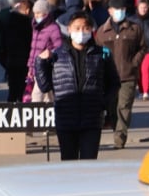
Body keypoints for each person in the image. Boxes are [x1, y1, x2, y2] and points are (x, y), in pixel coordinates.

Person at [35, 11, 120, 160]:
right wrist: (40, 63)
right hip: (66, 119)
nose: (81, 32)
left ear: (91, 29)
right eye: (77, 28)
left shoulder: (101, 54)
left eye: (86, 28)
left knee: (88, 163)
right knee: (69, 163)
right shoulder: (56, 55)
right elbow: (44, 86)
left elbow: (114, 83)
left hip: (91, 119)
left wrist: (103, 103)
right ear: (68, 29)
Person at [96, 0, 146, 149]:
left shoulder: (134, 28)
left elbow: (143, 48)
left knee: (123, 107)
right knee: (112, 108)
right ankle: (115, 128)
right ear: (110, 11)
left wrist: (134, 63)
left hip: (127, 75)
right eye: (117, 10)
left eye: (123, 10)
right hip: (108, 77)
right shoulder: (102, 32)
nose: (120, 12)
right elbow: (97, 51)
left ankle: (119, 139)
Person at [27, 0, 63, 102]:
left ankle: (36, 115)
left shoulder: (53, 28)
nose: (36, 16)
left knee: (38, 96)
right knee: (47, 97)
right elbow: (33, 50)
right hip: (36, 67)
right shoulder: (36, 28)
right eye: (35, 13)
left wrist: (50, 54)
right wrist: (30, 67)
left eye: (39, 13)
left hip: (47, 67)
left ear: (46, 13)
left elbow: (59, 47)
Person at [0, 0, 33, 102]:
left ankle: (11, 114)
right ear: (28, 10)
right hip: (24, 62)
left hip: (11, 61)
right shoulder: (28, 24)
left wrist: (5, 60)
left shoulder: (9, 22)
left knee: (13, 91)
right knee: (23, 91)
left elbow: (2, 44)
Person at [131, 0, 149, 100]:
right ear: (138, 7)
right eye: (142, 7)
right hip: (136, 49)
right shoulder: (132, 19)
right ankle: (141, 91)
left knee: (145, 68)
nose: (144, 9)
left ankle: (146, 92)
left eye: (145, 7)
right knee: (138, 70)